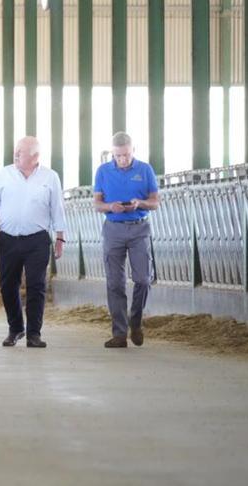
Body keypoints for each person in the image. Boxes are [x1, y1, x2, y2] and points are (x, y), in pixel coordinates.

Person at [0, 137, 67, 348]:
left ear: (35, 157)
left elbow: (58, 208)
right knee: (7, 285)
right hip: (8, 239)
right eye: (16, 150)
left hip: (37, 240)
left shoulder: (50, 177)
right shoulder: (5, 174)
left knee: (37, 286)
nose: (15, 154)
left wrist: (60, 237)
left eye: (20, 152)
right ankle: (16, 328)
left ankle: (34, 334)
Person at [93, 132, 160, 348]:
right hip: (113, 228)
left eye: (126, 155)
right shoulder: (103, 171)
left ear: (133, 150)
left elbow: (155, 201)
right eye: (118, 155)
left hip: (139, 228)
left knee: (142, 279)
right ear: (112, 153)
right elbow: (97, 203)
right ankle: (119, 333)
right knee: (115, 282)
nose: (123, 159)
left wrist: (140, 203)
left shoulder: (145, 169)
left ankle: (136, 320)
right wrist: (110, 207)